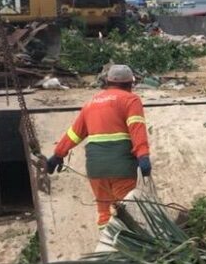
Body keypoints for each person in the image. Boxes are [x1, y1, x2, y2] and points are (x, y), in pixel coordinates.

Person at [46, 64, 151, 227]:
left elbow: (74, 133)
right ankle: (126, 249)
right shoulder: (131, 99)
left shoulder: (91, 103)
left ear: (107, 82)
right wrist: (143, 156)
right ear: (131, 83)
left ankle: (107, 247)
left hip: (96, 168)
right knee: (126, 212)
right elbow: (137, 129)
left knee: (104, 213)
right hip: (121, 166)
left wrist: (57, 155)